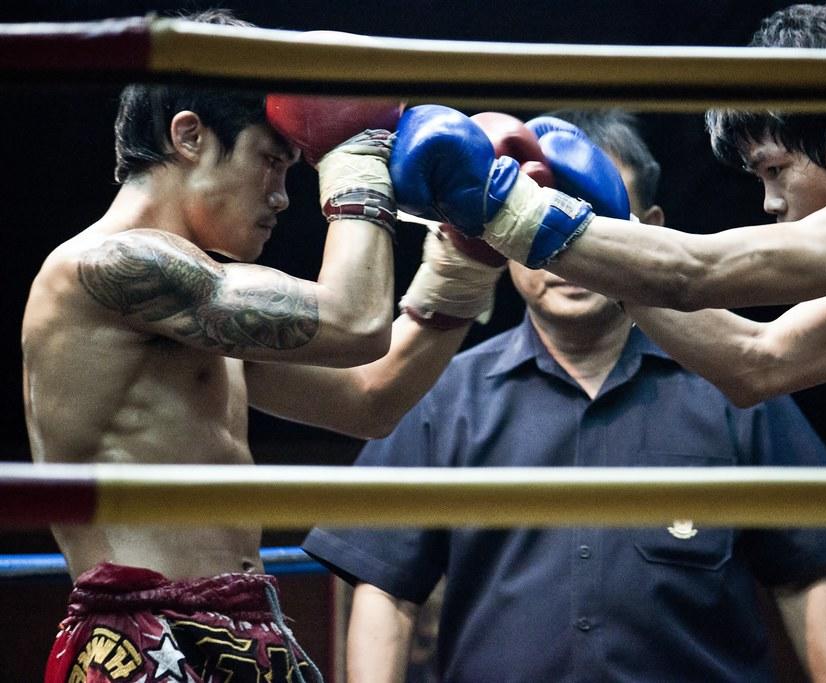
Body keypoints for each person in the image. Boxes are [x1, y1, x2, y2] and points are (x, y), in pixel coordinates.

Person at [387, 3, 826, 680]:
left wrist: (500, 207)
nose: (770, 202)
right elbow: (755, 361)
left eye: (775, 170)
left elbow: (696, 272)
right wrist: (614, 241)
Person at [22, 10, 506, 683]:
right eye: (270, 163)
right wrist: (355, 155)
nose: (283, 198)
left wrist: (464, 261)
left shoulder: (200, 309)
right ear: (189, 135)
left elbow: (373, 397)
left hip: (248, 629)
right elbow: (353, 320)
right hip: (142, 638)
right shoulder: (110, 270)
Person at [305, 109, 826, 682]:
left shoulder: (731, 383)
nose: (567, 254)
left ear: (647, 228)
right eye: (543, 218)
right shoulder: (440, 393)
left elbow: (805, 578)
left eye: (591, 223)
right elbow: (385, 589)